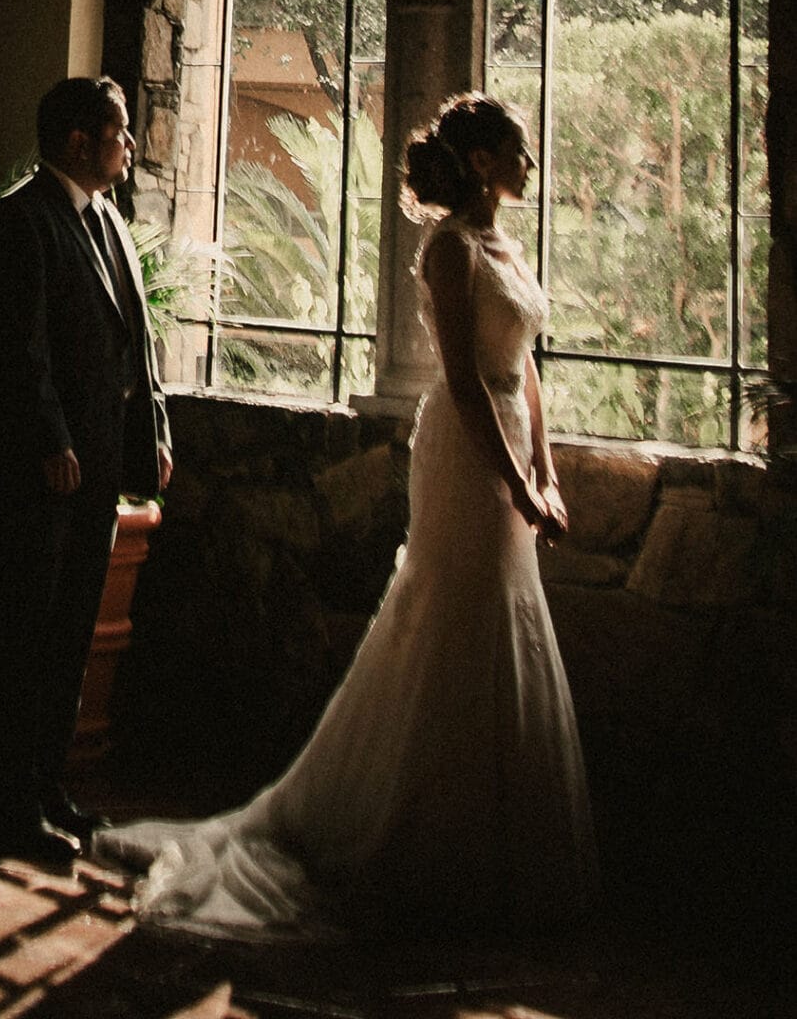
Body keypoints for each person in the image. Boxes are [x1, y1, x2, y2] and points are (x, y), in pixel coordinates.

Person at [97, 91, 598, 936]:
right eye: (516, 149)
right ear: (479, 163)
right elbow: (468, 380)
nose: (528, 163)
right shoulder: (446, 250)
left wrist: (544, 472)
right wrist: (512, 483)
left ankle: (492, 840)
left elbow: (524, 370)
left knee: (502, 619)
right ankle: (403, 830)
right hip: (465, 452)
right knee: (450, 613)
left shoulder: (504, 245)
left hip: (511, 441)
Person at [0, 75, 173, 867]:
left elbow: (132, 341)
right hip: (31, 473)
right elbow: (19, 347)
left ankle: (48, 790)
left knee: (69, 639)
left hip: (96, 471)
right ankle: (6, 806)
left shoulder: (107, 221)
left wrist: (150, 435)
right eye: (118, 131)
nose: (129, 143)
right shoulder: (16, 221)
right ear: (77, 141)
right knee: (21, 641)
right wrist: (52, 441)